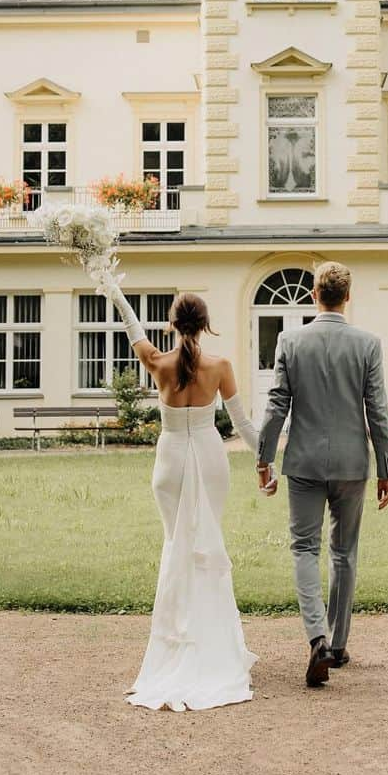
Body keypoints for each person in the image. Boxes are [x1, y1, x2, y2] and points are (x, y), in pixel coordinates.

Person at [109, 288, 270, 711]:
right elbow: (243, 423)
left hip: (170, 459)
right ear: (205, 323)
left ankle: (177, 639)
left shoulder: (157, 362)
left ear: (173, 323)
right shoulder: (219, 366)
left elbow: (132, 329)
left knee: (176, 545)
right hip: (208, 455)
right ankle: (211, 641)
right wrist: (266, 461)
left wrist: (113, 290)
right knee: (206, 543)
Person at [256, 261, 388, 688]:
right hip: (353, 463)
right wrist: (387, 466)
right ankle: (336, 644)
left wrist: (264, 458)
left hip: (304, 463)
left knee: (303, 548)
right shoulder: (367, 344)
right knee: (344, 553)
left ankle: (316, 636)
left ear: (314, 294)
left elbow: (277, 404)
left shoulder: (290, 341)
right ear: (347, 297)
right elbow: (378, 411)